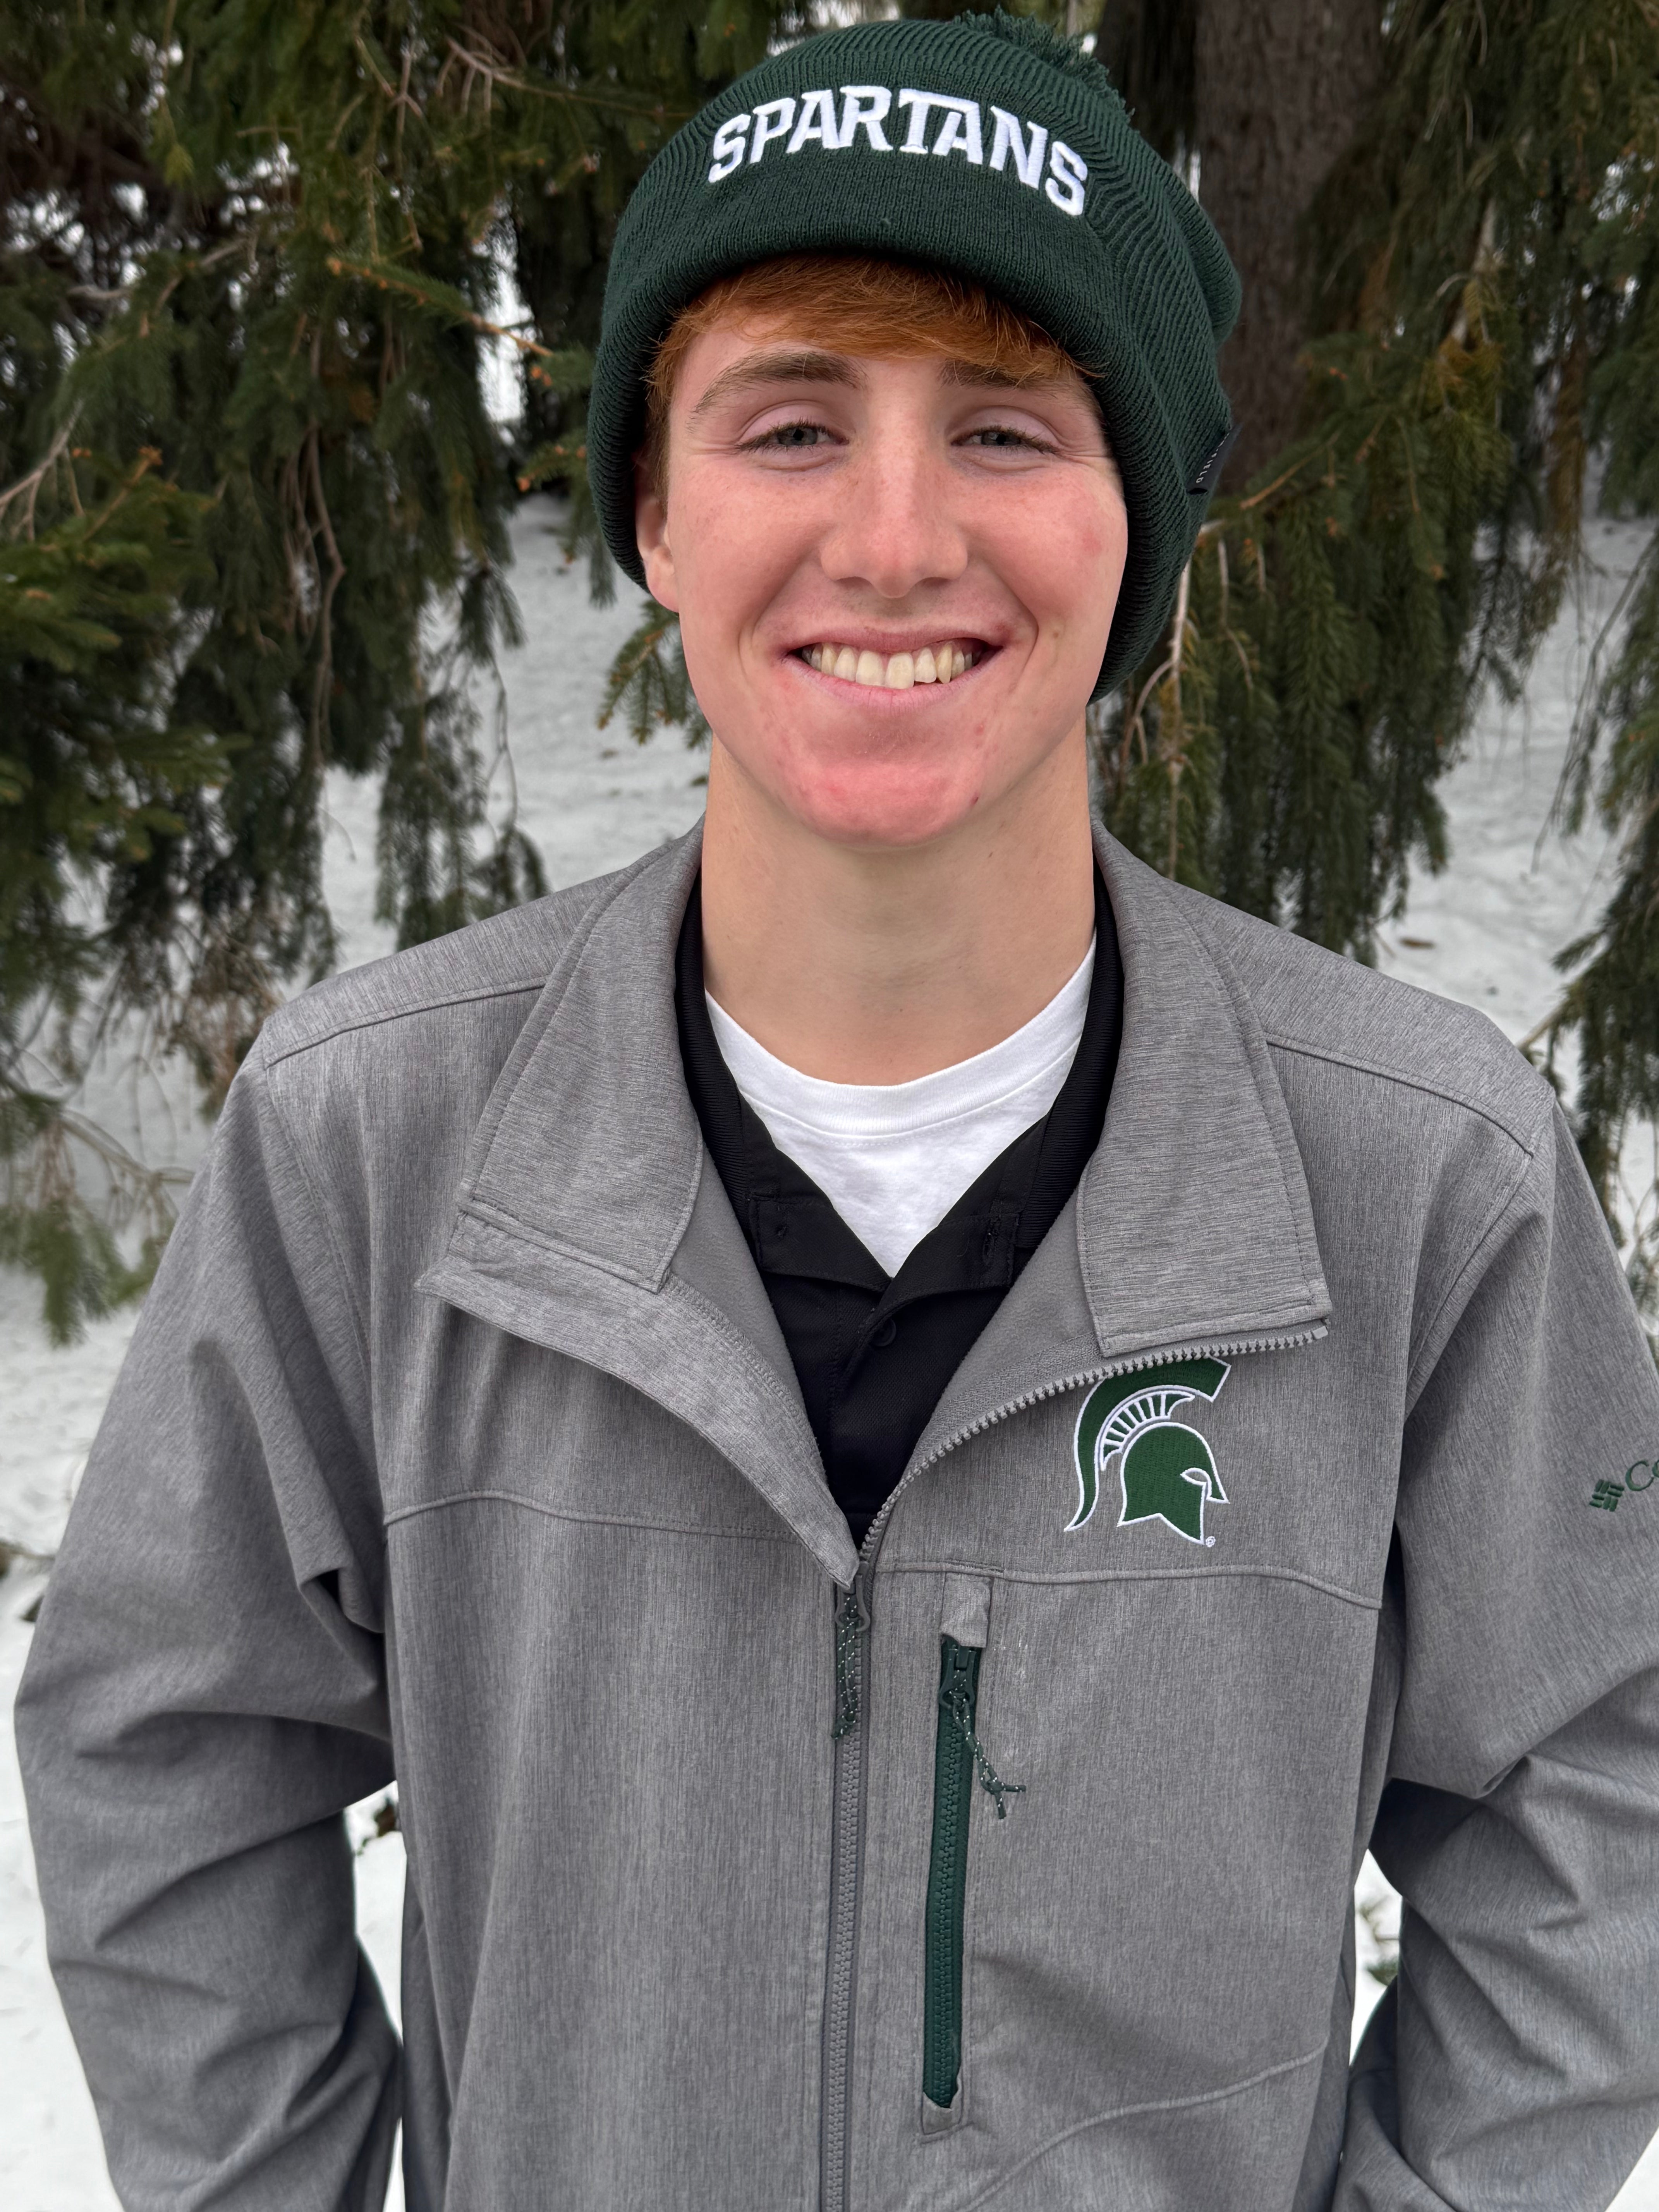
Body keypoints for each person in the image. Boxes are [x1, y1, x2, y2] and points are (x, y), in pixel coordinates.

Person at [18, 13, 1659, 2210]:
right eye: (790, 423)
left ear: (1140, 536)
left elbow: (1602, 1775)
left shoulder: (1420, 1181)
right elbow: (166, 1744)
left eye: (1004, 427)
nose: (895, 543)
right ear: (654, 512)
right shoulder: (369, 1147)